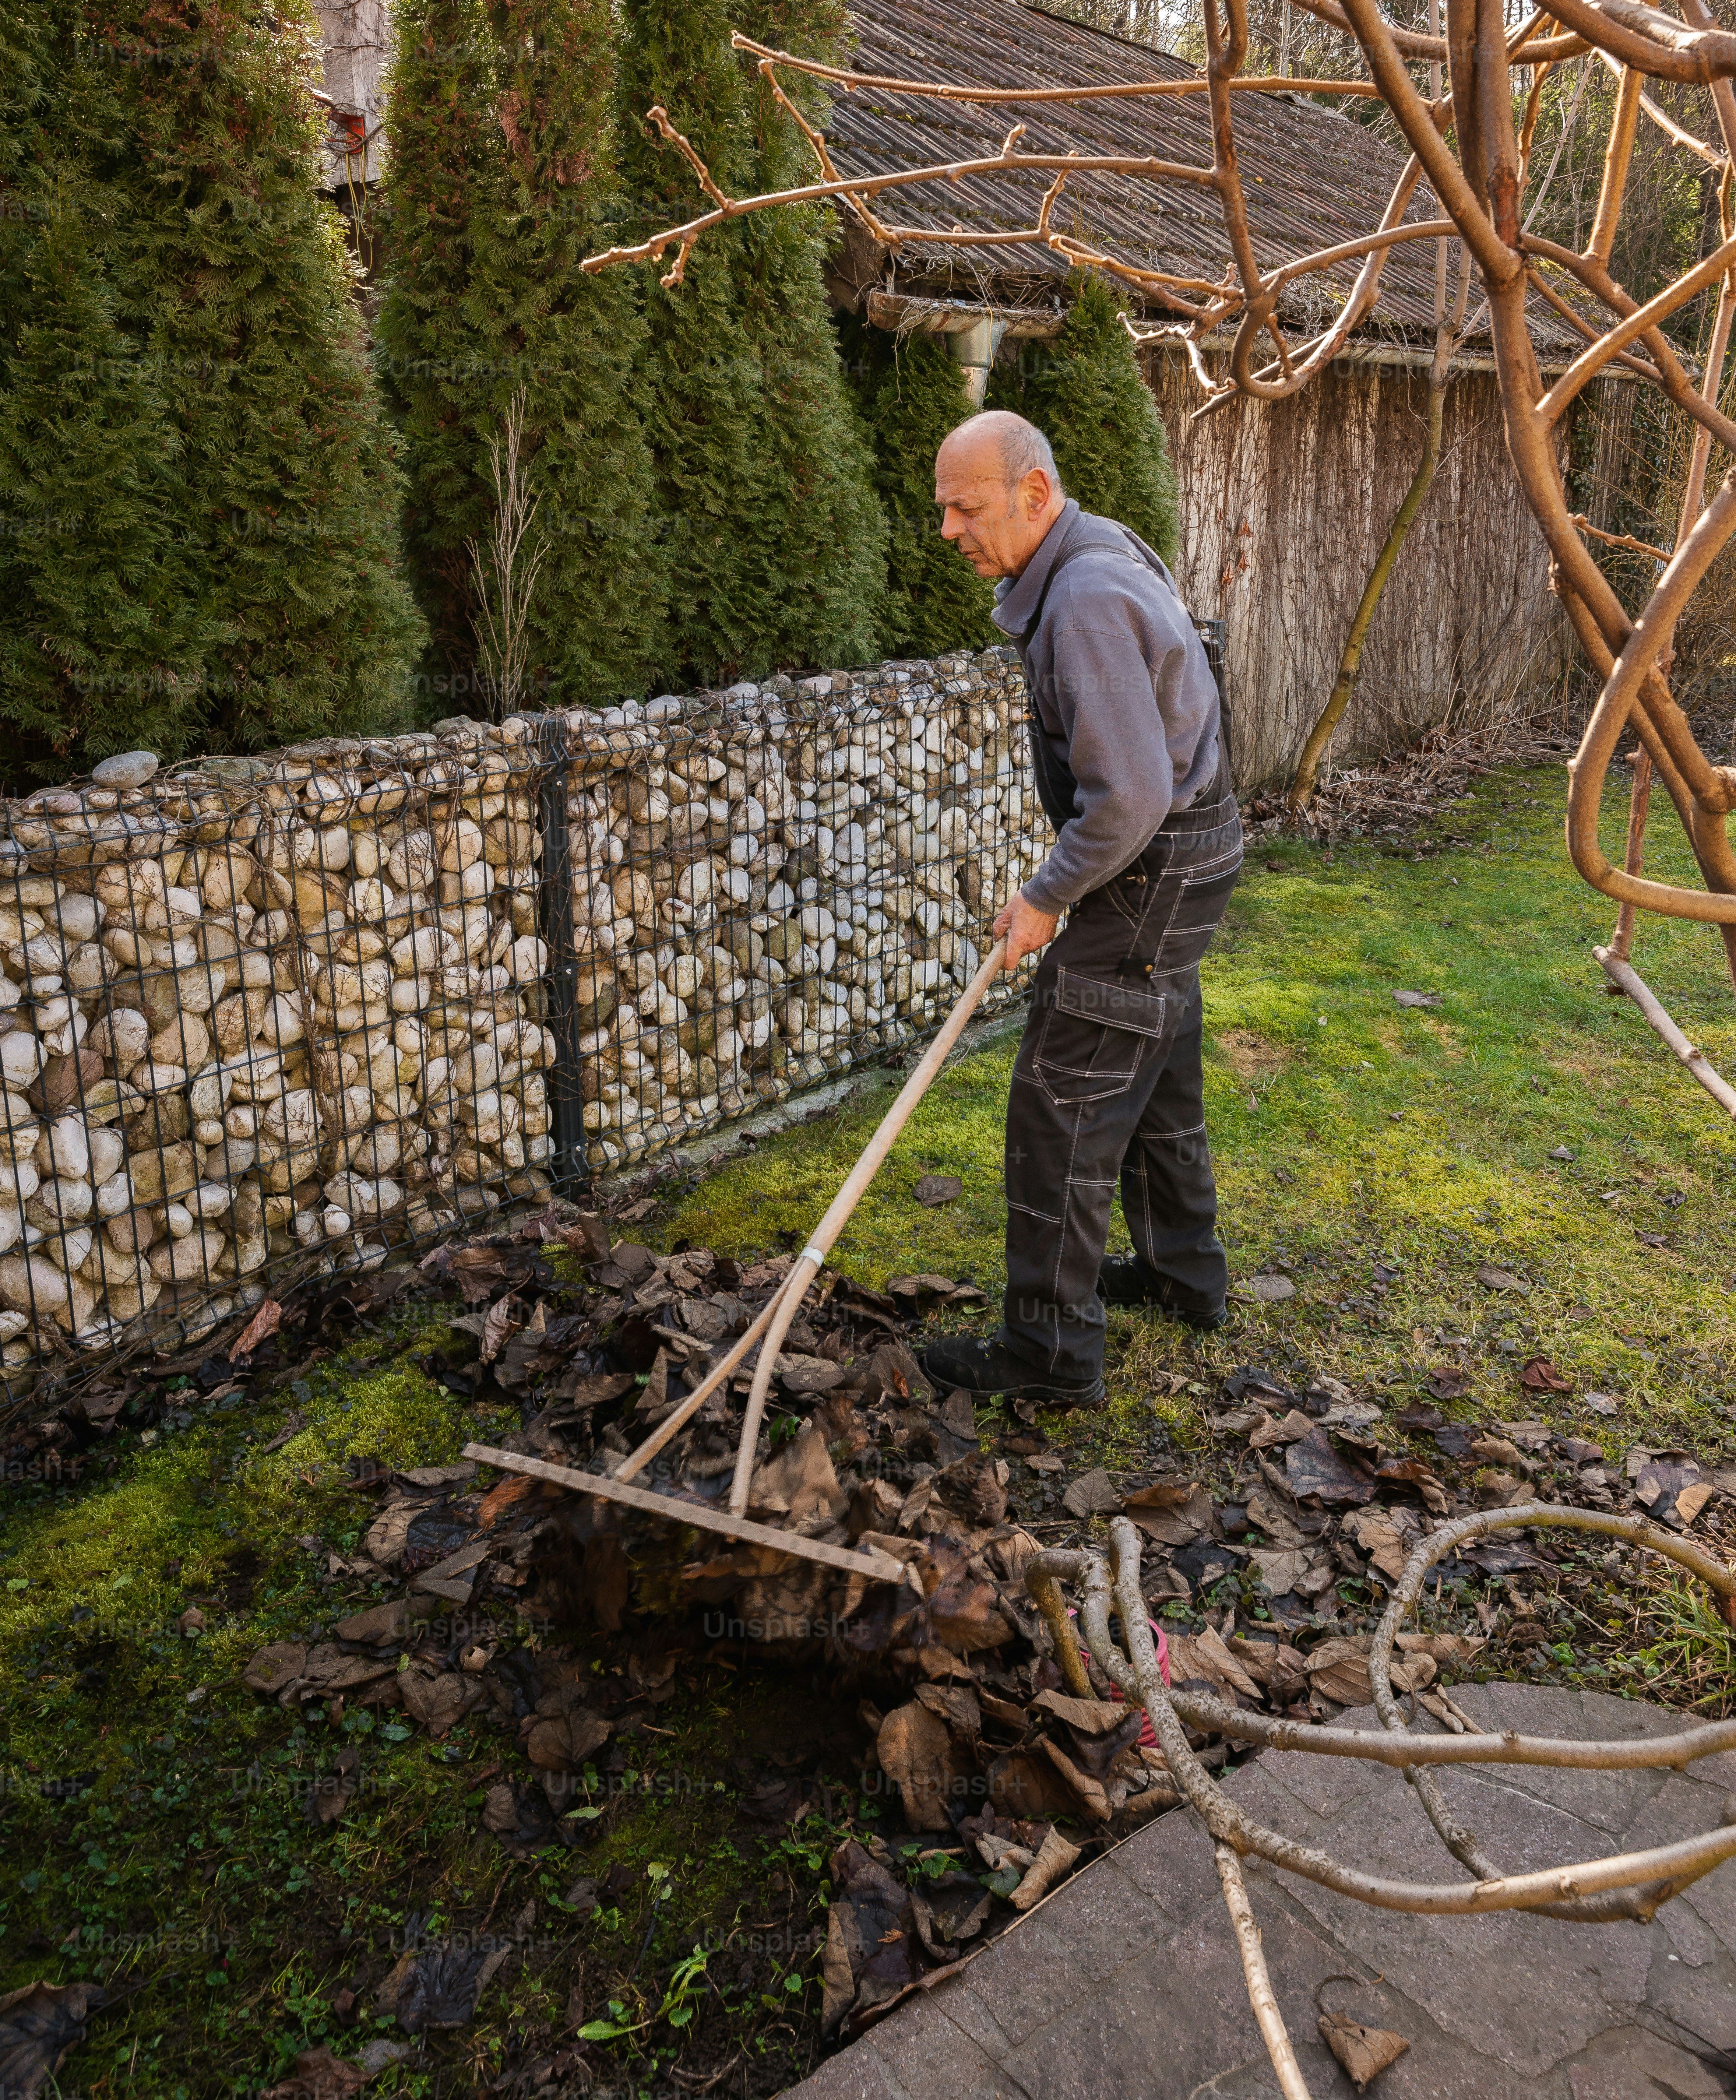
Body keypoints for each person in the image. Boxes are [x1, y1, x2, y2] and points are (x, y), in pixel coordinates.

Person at [921, 410, 1242, 1411]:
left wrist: (1044, 897)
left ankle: (1049, 1359)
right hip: (1189, 854)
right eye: (942, 510)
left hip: (1151, 864)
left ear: (1034, 495)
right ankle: (1182, 1278)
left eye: (964, 508)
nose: (947, 531)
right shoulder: (1094, 552)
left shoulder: (1088, 597)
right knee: (1153, 1068)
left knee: (1061, 1104)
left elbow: (1131, 797)